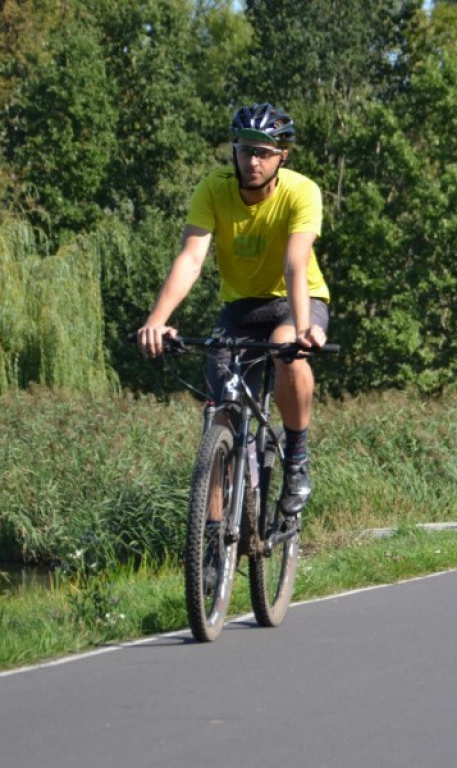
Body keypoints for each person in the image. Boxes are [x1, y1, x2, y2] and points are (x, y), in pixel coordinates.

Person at [137, 103, 330, 519]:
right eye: (245, 150)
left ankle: (296, 455)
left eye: (264, 152)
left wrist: (301, 328)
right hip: (240, 308)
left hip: (295, 302)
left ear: (283, 155)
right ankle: (210, 544)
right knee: (220, 418)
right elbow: (191, 258)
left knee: (285, 351)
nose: (253, 161)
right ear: (235, 152)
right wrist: (157, 319)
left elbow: (295, 262)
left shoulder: (302, 191)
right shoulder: (214, 189)